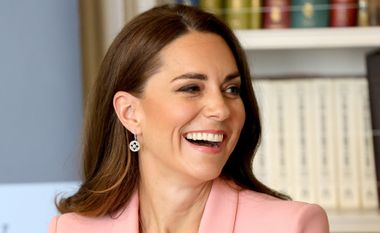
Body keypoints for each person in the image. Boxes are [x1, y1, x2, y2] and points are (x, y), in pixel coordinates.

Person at [48, 4, 329, 233]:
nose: (220, 109)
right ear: (130, 113)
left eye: (231, 89)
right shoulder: (72, 229)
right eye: (191, 88)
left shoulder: (291, 226)